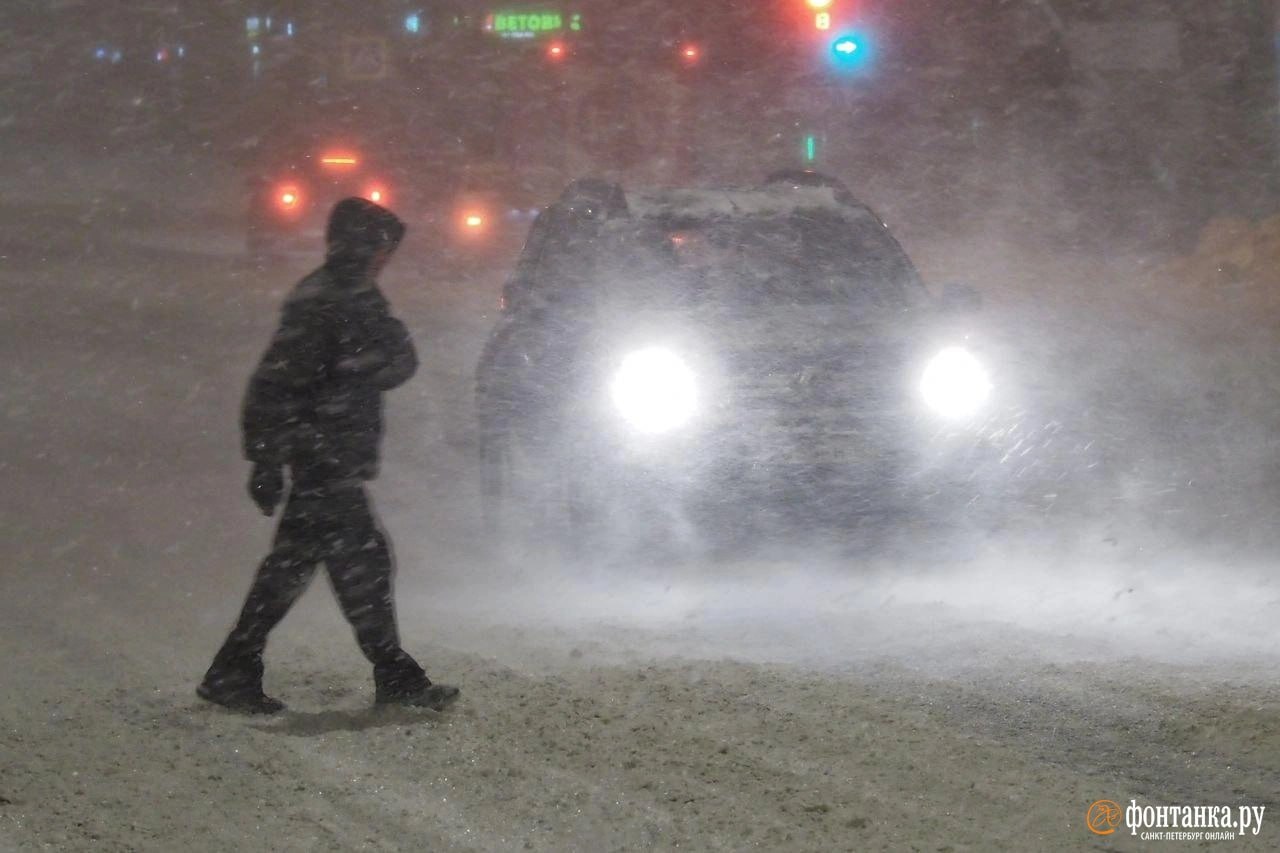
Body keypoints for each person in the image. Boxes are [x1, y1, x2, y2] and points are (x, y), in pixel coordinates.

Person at [198, 197, 459, 715]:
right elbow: (277, 385)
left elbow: (380, 368)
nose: (386, 258)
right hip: (322, 456)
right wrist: (268, 460)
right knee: (359, 565)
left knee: (298, 569)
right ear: (362, 246)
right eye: (381, 247)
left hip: (324, 454)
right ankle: (392, 674)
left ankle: (234, 669)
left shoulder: (347, 295)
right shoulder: (330, 301)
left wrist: (270, 459)